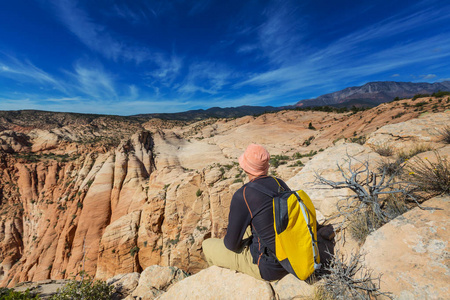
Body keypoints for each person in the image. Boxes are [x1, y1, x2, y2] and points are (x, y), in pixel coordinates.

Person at [202, 143, 290, 281]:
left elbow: (231, 245)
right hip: (291, 257)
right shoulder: (279, 183)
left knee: (207, 245)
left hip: (269, 268)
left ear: (244, 167)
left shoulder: (243, 194)